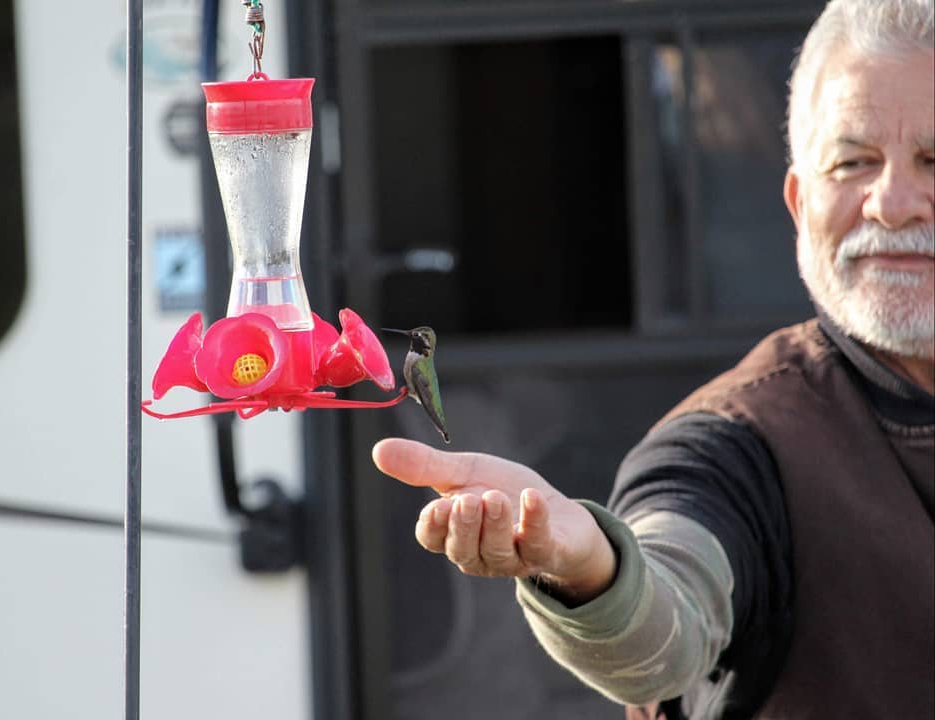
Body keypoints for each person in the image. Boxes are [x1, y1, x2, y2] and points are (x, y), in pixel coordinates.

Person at [371, 1, 934, 717]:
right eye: (853, 163)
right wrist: (591, 572)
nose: (890, 202)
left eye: (933, 159)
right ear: (798, 206)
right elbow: (664, 619)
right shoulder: (740, 442)